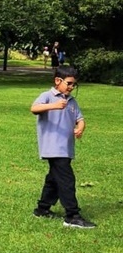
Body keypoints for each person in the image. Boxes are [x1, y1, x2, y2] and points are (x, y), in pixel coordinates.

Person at [31, 66, 95, 228]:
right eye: (69, 83)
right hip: (53, 147)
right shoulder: (47, 96)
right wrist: (53, 106)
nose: (71, 87)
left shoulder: (72, 101)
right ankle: (72, 215)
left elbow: (80, 118)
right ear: (57, 81)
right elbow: (34, 108)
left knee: (54, 178)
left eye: (74, 85)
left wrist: (80, 127)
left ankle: (42, 209)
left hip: (66, 148)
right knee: (67, 179)